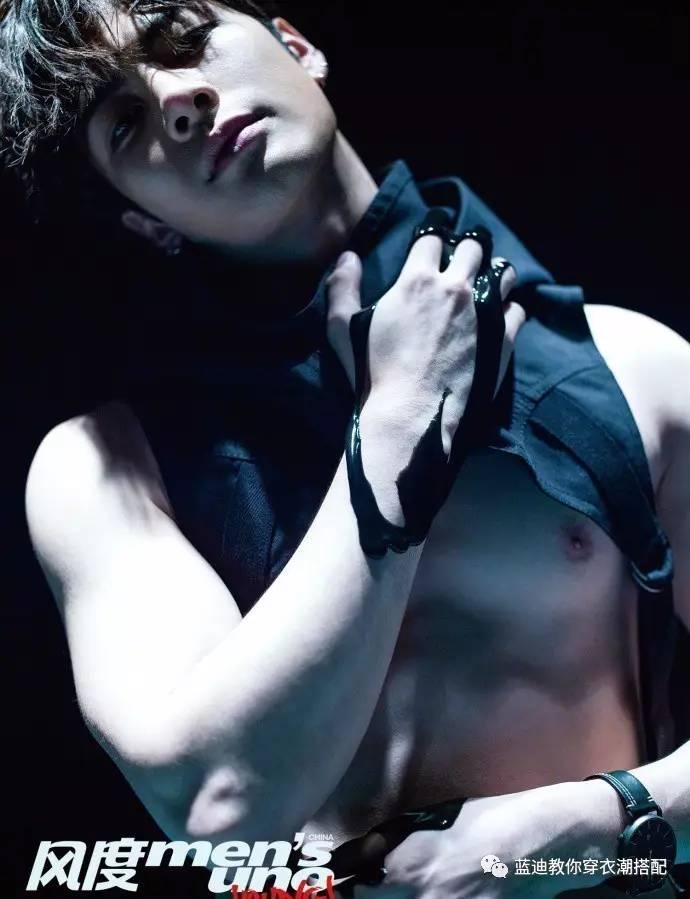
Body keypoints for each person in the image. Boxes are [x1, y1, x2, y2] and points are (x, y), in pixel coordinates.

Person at [2, 1, 689, 896]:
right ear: (143, 220)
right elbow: (220, 803)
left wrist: (582, 829)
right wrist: (397, 425)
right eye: (125, 122)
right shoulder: (105, 469)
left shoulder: (632, 365)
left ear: (297, 46)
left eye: (185, 37)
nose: (178, 98)